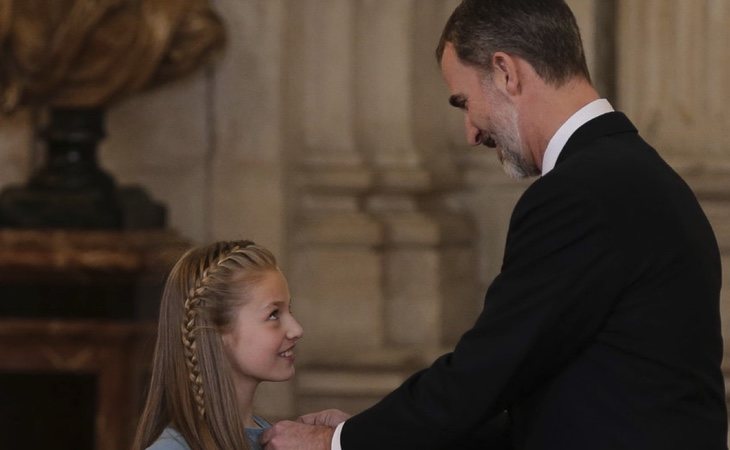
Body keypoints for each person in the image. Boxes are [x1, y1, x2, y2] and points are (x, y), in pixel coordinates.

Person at [262, 0, 728, 449]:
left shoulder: (581, 192)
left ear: (506, 71)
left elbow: (486, 371)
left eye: (464, 102)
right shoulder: (635, 174)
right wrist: (376, 435)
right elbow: (557, 409)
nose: (470, 133)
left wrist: (339, 443)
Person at [132, 240, 303, 450]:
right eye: (274, 314)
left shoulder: (276, 439)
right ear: (215, 329)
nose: (296, 329)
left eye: (289, 310)